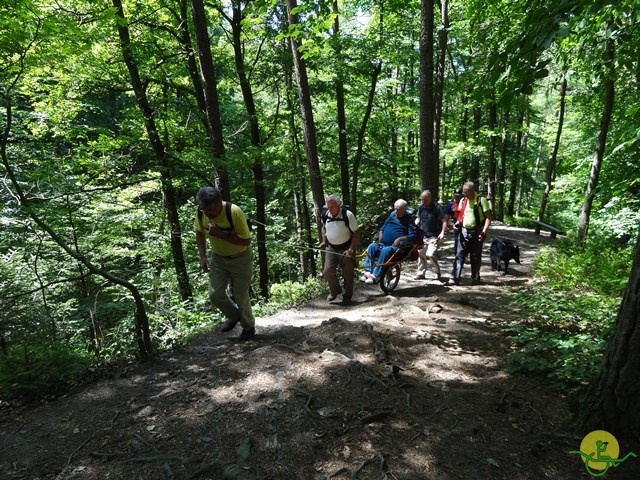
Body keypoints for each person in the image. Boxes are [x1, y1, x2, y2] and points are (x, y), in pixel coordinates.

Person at [195, 186, 256, 341]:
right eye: (204, 210)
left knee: (240, 295)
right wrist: (202, 255)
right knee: (215, 294)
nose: (208, 214)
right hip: (218, 258)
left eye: (211, 210)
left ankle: (248, 328)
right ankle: (234, 315)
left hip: (241, 258)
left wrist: (220, 234)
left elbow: (246, 240)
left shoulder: (234, 212)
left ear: (219, 203)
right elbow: (199, 231)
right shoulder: (201, 212)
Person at [361, 199, 416, 284]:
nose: (396, 211)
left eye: (398, 209)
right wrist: (381, 232)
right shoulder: (392, 215)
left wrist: (401, 238)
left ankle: (376, 275)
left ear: (404, 209)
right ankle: (368, 272)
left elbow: (413, 235)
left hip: (398, 247)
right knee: (372, 246)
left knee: (385, 250)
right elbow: (384, 226)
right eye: (395, 209)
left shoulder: (409, 220)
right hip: (384, 244)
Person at [447, 182, 492, 286]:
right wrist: (457, 223)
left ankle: (475, 277)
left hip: (477, 233)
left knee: (475, 256)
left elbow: (489, 218)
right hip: (463, 231)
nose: (464, 194)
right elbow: (460, 215)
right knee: (459, 255)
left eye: (466, 192)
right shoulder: (463, 200)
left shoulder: (482, 201)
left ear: (472, 190)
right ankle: (454, 278)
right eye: (463, 191)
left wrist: (484, 231)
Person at [320, 195, 361, 305]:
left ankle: (347, 296)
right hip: (331, 247)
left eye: (333, 207)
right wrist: (324, 241)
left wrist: (351, 250)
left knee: (348, 272)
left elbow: (356, 234)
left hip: (346, 247)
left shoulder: (347, 215)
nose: (330, 209)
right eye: (328, 207)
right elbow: (323, 228)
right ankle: (335, 291)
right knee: (327, 271)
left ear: (339, 205)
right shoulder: (325, 214)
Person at [414, 190, 447, 279]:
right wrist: (415, 224)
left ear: (430, 198)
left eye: (425, 199)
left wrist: (442, 232)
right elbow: (418, 218)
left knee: (431, 254)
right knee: (421, 254)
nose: (423, 201)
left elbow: (443, 220)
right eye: (422, 199)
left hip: (434, 235)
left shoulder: (437, 207)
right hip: (422, 235)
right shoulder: (421, 207)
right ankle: (421, 273)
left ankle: (437, 271)